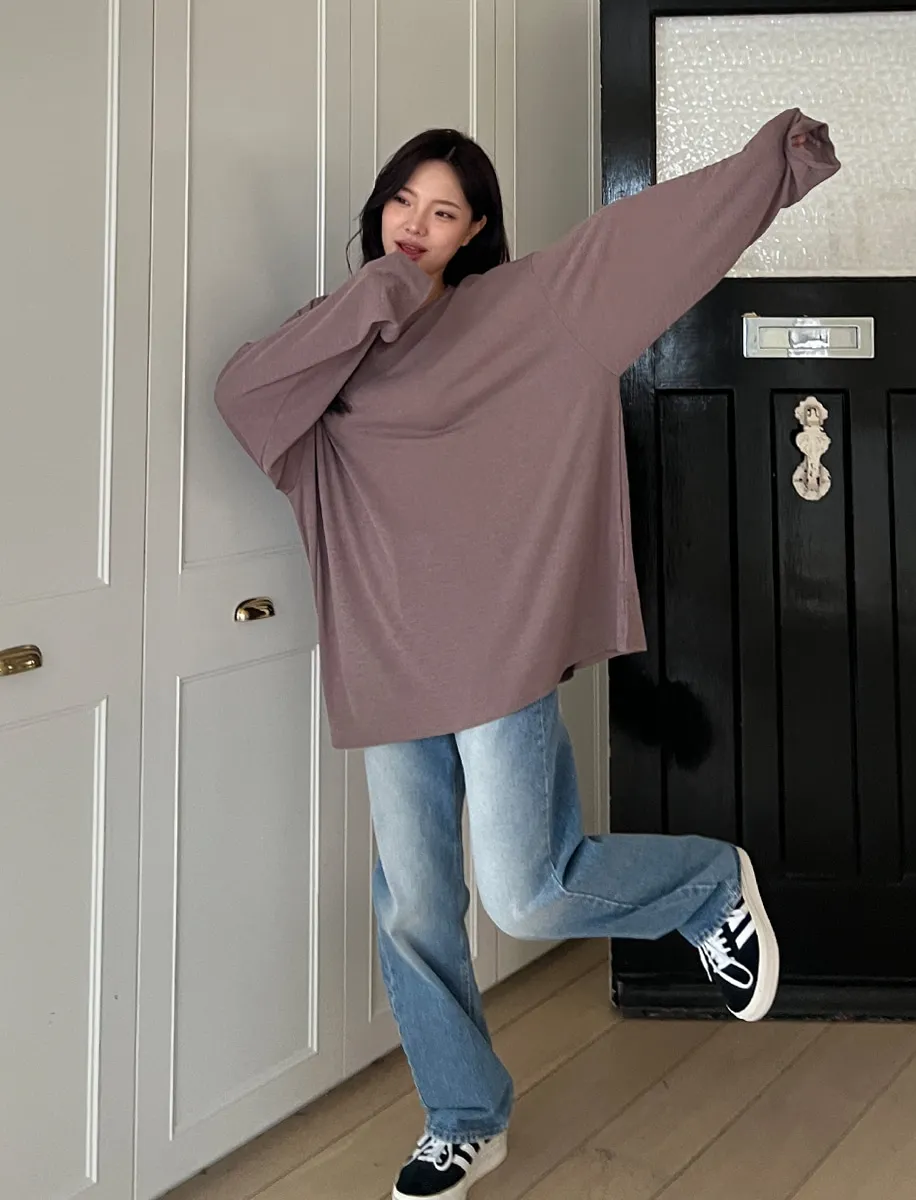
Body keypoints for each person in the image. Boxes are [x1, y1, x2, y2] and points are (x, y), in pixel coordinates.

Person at [215, 109, 839, 1200]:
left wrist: (768, 170)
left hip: (497, 651)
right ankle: (464, 1117)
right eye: (402, 203)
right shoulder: (331, 339)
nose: (416, 225)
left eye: (442, 212)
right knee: (414, 912)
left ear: (476, 230)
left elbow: (645, 243)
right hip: (383, 664)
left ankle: (706, 887)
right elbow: (244, 399)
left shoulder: (526, 309)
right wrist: (379, 293)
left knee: (528, 894)